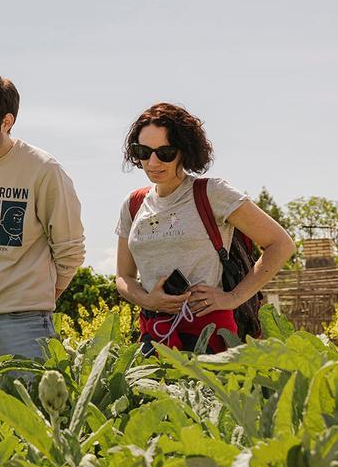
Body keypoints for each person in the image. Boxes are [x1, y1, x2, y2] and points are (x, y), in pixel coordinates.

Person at [115, 102, 296, 353]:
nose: (152, 162)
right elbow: (123, 276)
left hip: (210, 335)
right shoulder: (133, 204)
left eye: (165, 153)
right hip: (154, 332)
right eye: (143, 151)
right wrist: (146, 299)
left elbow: (281, 244)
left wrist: (233, 298)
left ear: (185, 151)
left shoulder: (212, 193)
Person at [0, 75, 85, 367]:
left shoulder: (44, 169)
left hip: (26, 322)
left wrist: (40, 298)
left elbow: (69, 248)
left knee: (32, 411)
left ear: (6, 122)